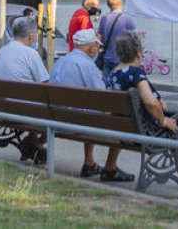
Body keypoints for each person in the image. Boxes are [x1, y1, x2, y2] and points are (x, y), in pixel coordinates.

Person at [108, 32, 178, 190]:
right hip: (145, 132)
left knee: (177, 127)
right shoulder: (135, 73)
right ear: (138, 52)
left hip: (125, 130)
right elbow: (151, 103)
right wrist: (164, 120)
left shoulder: (114, 74)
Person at [49, 28, 133, 182]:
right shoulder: (87, 66)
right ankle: (110, 167)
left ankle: (89, 163)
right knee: (119, 118)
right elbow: (102, 97)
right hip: (75, 122)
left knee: (89, 112)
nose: (98, 49)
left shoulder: (61, 61)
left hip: (55, 118)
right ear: (90, 47)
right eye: (97, 46)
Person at [0, 16, 50, 162]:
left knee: (32, 104)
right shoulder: (31, 54)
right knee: (54, 112)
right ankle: (34, 144)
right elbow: (46, 85)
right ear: (30, 35)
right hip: (23, 111)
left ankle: (31, 144)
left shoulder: (3, 50)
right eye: (36, 33)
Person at [96, 0, 136, 80]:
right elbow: (134, 39)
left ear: (108, 5)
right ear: (120, 3)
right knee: (119, 85)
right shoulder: (127, 18)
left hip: (106, 58)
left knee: (106, 85)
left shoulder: (104, 18)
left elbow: (99, 38)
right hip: (121, 59)